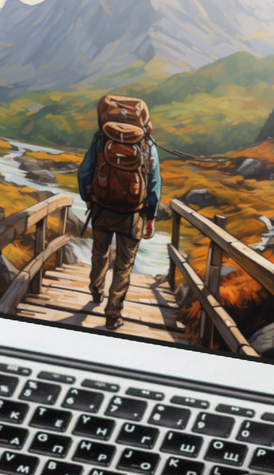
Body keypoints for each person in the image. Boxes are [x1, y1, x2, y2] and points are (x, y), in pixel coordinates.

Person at [78, 96, 163, 332]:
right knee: (124, 266)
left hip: (102, 207)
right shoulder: (147, 144)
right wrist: (151, 216)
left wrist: (88, 198)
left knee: (99, 251)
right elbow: (154, 182)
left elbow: (85, 170)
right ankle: (113, 314)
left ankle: (96, 290)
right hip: (133, 214)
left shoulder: (101, 139)